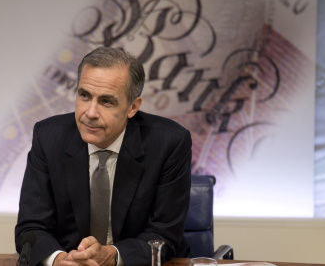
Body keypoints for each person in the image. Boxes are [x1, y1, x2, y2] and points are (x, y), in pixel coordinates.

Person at [15, 47, 192, 266]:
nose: (90, 112)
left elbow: (163, 236)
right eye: (84, 95)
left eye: (106, 101)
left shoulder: (168, 143)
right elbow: (31, 229)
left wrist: (112, 255)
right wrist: (59, 260)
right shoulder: (48, 137)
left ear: (133, 107)